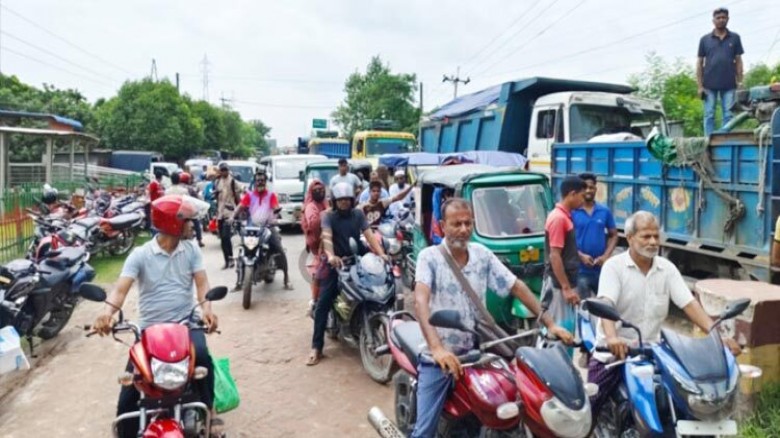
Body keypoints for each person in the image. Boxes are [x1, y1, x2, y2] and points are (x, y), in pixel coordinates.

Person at [411, 198, 574, 438]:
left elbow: (516, 286)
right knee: (425, 431)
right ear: (443, 226)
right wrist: (437, 349)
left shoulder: (481, 254)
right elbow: (420, 300)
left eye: (468, 223)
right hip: (442, 357)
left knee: (518, 399)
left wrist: (550, 324)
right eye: (457, 224)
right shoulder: (429, 257)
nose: (464, 229)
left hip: (481, 351)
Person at [587, 211, 742, 418]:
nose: (652, 242)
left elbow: (689, 304)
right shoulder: (614, 267)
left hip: (653, 351)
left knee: (681, 403)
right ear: (630, 237)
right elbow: (606, 303)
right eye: (645, 236)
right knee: (589, 410)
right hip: (614, 353)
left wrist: (717, 335)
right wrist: (613, 338)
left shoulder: (667, 269)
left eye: (656, 236)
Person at [91, 194, 221, 438]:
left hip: (185, 324)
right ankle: (128, 428)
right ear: (173, 224)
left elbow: (202, 284)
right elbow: (120, 290)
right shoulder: (140, 254)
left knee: (203, 357)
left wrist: (207, 310)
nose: (193, 226)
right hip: (149, 330)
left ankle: (210, 413)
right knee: (129, 390)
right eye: (188, 221)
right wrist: (107, 313)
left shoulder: (191, 249)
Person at [307, 182, 388, 366]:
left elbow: (368, 235)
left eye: (347, 200)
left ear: (352, 200)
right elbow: (326, 236)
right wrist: (330, 255)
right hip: (336, 262)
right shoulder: (328, 216)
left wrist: (381, 253)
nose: (344, 203)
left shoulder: (358, 214)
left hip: (356, 258)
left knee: (372, 286)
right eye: (340, 200)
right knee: (323, 304)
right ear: (335, 201)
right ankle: (316, 347)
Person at [230, 168, 292, 290]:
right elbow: (240, 207)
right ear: (255, 181)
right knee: (242, 250)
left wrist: (275, 215)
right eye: (258, 180)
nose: (260, 182)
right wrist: (232, 217)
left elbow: (275, 207)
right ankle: (239, 282)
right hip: (251, 228)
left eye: (262, 180)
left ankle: (286, 278)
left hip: (267, 227)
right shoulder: (249, 195)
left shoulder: (270, 195)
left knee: (279, 248)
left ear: (265, 182)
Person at [542, 176, 586, 336]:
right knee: (560, 331)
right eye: (582, 195)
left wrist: (580, 256)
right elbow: (555, 255)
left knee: (568, 329)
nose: (583, 199)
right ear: (572, 194)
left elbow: (563, 248)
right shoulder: (558, 219)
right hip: (559, 287)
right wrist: (566, 289)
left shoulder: (565, 216)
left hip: (565, 283)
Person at [697, 6, 744, 136]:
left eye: (724, 17)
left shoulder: (735, 38)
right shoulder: (704, 40)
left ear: (728, 19)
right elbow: (700, 63)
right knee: (709, 114)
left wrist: (740, 82)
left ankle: (726, 141)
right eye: (718, 18)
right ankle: (709, 142)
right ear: (713, 20)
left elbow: (738, 61)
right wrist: (700, 86)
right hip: (709, 85)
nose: (721, 20)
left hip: (729, 84)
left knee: (728, 114)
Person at [572, 173, 617, 298]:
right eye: (584, 187)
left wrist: (605, 256)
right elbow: (566, 240)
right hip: (580, 271)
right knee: (585, 308)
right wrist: (581, 256)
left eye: (591, 187)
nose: (588, 190)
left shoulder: (604, 211)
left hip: (601, 270)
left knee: (605, 305)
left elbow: (614, 235)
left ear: (596, 189)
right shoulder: (573, 212)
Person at [301, 178, 328, 317]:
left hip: (329, 239)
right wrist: (327, 214)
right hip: (317, 243)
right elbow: (313, 224)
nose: (319, 192)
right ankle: (314, 301)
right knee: (319, 271)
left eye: (321, 190)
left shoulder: (325, 203)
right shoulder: (311, 206)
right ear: (312, 192)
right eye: (316, 190)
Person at [213, 162, 241, 269]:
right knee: (222, 239)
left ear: (228, 170)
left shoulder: (233, 181)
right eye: (222, 170)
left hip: (229, 213)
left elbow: (238, 196)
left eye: (226, 170)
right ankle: (226, 261)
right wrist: (215, 194)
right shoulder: (217, 182)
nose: (224, 171)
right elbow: (216, 197)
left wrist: (239, 211)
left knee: (226, 236)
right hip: (220, 213)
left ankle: (231, 259)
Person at [167, 172, 205, 247]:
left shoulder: (167, 191)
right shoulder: (184, 190)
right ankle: (199, 240)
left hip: (171, 214)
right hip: (183, 213)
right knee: (196, 221)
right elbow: (188, 201)